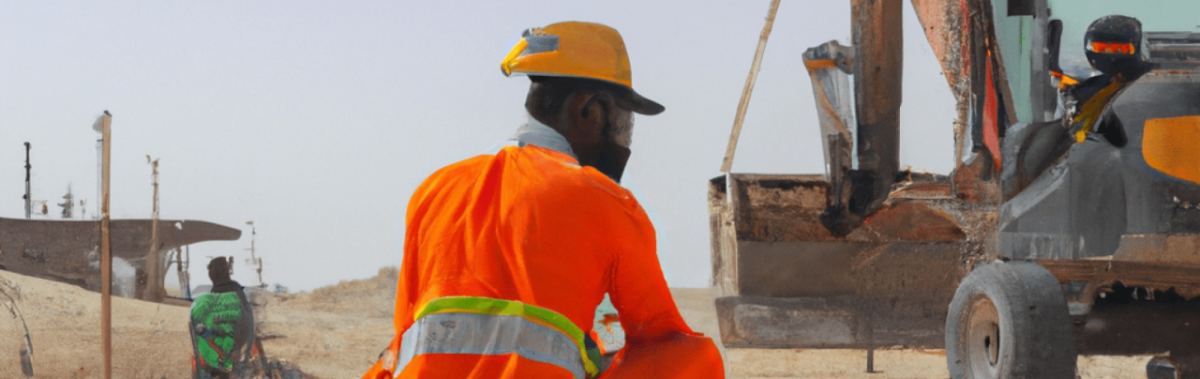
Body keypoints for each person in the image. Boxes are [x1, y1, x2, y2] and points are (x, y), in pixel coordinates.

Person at [362, 21, 724, 379]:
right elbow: (661, 338)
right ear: (589, 113)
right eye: (625, 123)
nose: (627, 142)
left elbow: (407, 335)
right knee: (693, 356)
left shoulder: (434, 189)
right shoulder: (606, 201)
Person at [190, 257, 256, 379]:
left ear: (211, 275)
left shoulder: (210, 302)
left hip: (222, 361)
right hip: (238, 360)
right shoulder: (241, 298)